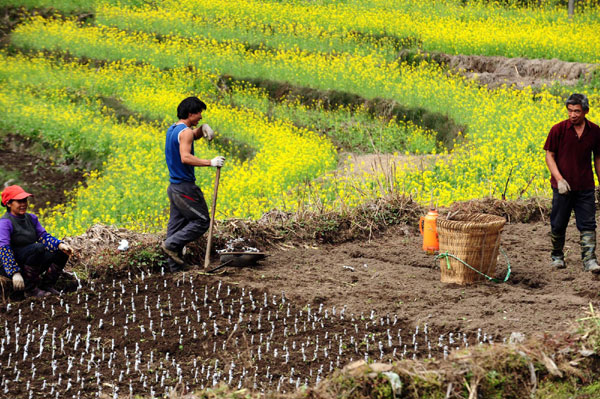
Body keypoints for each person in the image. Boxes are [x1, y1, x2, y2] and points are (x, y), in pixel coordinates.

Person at [161, 96, 225, 272]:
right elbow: (185, 157)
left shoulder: (173, 129)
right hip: (185, 188)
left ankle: (175, 269)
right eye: (199, 114)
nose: (201, 117)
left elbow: (189, 136)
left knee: (175, 226)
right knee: (202, 221)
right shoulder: (186, 132)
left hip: (174, 188)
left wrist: (202, 130)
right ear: (190, 113)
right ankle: (171, 245)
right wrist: (210, 162)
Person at [544, 93, 600, 273]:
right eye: (570, 111)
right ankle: (557, 256)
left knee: (588, 224)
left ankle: (590, 260)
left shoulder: (595, 131)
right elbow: (549, 156)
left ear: (586, 111)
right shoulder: (558, 130)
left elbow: (598, 158)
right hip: (562, 188)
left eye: (577, 111)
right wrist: (559, 179)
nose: (573, 114)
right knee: (558, 223)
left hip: (585, 186)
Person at [0, 185, 73, 297]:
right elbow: (4, 249)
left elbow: (43, 236)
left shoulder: (31, 218)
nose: (23, 204)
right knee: (38, 248)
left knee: (60, 252)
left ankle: (46, 285)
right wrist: (14, 272)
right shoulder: (5, 223)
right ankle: (30, 289)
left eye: (25, 200)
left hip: (32, 259)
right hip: (12, 264)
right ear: (9, 204)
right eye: (19, 201)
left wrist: (60, 245)